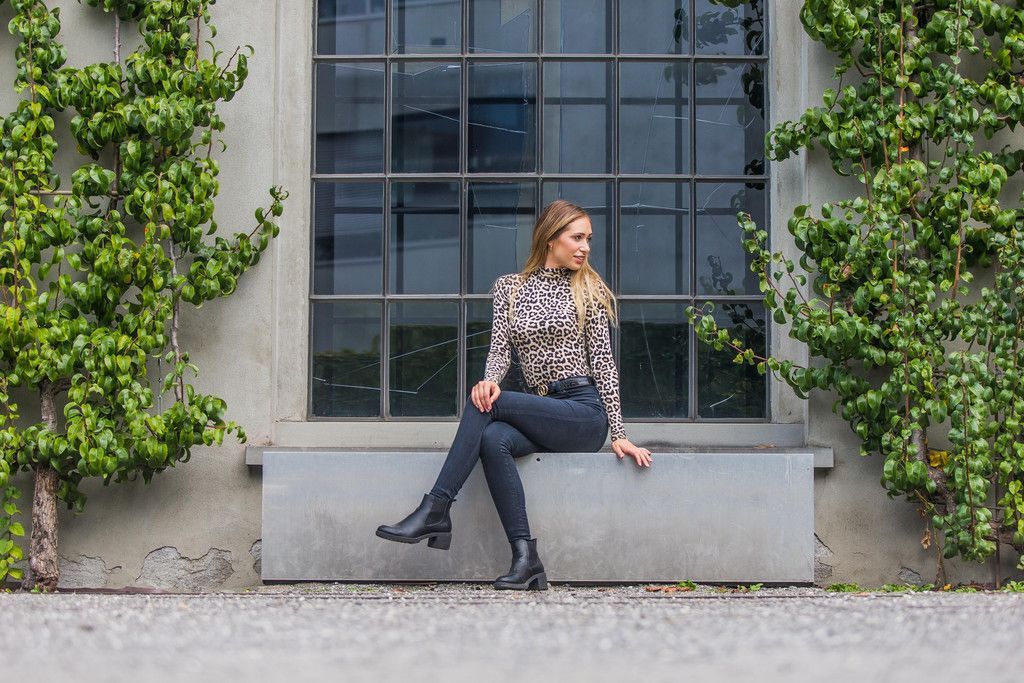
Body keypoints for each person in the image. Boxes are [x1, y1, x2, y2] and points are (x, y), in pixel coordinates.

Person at [375, 199, 652, 591]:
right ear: (551, 238)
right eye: (577, 238)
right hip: (543, 409)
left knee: (492, 403)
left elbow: (604, 365)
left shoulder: (589, 289)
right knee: (492, 436)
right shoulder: (510, 288)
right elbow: (500, 351)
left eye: (588, 239)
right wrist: (489, 379)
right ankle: (526, 558)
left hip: (582, 414)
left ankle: (436, 507)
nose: (585, 247)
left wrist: (619, 433)